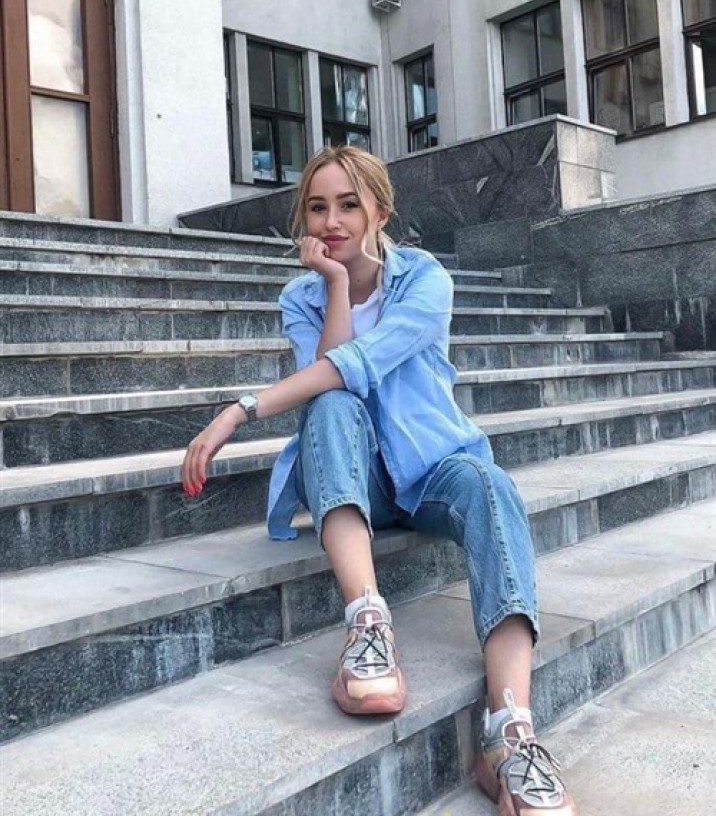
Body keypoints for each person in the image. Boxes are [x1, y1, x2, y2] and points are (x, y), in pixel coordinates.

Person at [181, 145, 577, 816]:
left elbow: (360, 361)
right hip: (352, 473)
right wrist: (336, 284)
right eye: (317, 207)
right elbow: (329, 378)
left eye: (348, 205)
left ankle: (509, 732)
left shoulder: (424, 279)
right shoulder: (301, 296)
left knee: (491, 487)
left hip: (431, 465)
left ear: (379, 212)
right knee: (331, 406)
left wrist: (239, 410)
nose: (332, 221)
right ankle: (368, 626)